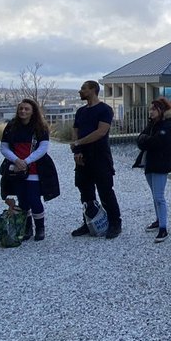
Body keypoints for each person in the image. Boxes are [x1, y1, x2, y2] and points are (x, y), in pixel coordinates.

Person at [0, 98, 60, 241]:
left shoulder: (40, 127)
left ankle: (40, 228)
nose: (23, 111)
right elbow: (4, 147)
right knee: (22, 200)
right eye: (21, 108)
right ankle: (27, 228)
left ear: (33, 111)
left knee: (34, 198)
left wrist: (26, 161)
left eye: (26, 109)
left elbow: (43, 148)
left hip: (35, 167)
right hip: (16, 167)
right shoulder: (11, 126)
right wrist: (16, 160)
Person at [70, 80, 122, 239]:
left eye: (83, 89)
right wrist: (77, 149)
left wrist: (78, 142)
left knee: (106, 192)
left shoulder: (105, 110)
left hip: (100, 158)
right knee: (86, 193)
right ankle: (89, 221)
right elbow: (75, 131)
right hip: (82, 160)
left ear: (93, 90)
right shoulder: (80, 111)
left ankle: (115, 223)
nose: (80, 91)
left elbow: (101, 132)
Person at [135, 96, 171, 242]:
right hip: (150, 163)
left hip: (160, 164)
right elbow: (141, 139)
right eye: (150, 109)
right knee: (155, 196)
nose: (150, 112)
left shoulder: (168, 125)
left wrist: (146, 141)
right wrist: (146, 141)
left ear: (161, 110)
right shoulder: (153, 124)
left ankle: (163, 228)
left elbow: (156, 142)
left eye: (153, 109)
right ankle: (159, 220)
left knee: (159, 197)